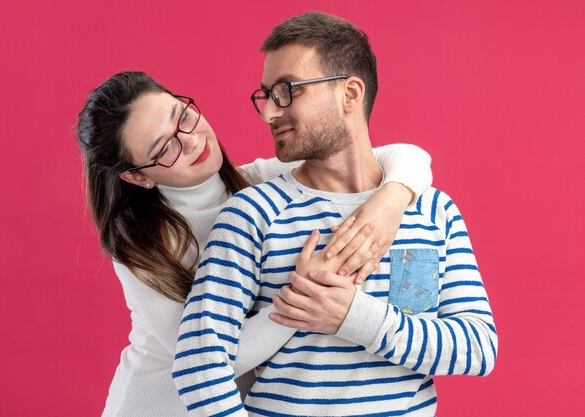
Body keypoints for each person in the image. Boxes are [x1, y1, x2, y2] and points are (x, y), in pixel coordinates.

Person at [172, 11, 497, 417]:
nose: (270, 113)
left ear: (350, 93)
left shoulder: (434, 211)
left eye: (287, 90)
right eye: (266, 96)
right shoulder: (252, 214)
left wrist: (357, 318)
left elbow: (479, 348)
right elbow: (198, 361)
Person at [76, 70, 433, 417]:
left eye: (183, 115)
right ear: (137, 176)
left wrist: (391, 200)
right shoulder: (141, 248)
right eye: (166, 147)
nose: (192, 139)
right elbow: (212, 360)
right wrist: (305, 295)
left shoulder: (261, 184)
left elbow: (404, 157)